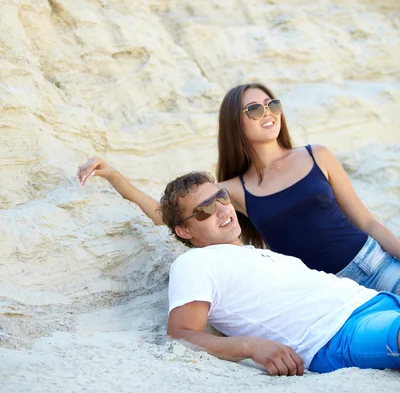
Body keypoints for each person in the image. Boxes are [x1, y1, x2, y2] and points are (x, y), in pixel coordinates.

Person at [77, 82, 400, 293]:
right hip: (327, 291)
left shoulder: (317, 155)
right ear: (237, 122)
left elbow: (367, 222)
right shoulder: (232, 190)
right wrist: (113, 175)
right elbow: (165, 215)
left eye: (271, 104)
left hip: (374, 264)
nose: (268, 113)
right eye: (255, 109)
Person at [161, 170, 400, 375]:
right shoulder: (194, 263)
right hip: (335, 334)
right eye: (205, 209)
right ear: (183, 231)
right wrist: (251, 346)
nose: (223, 210)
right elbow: (181, 334)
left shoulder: (255, 253)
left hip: (373, 300)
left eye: (221, 197)